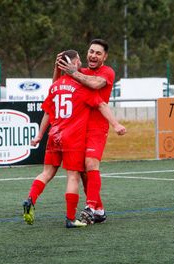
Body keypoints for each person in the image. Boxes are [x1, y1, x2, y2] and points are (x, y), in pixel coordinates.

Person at [22, 50, 126, 228]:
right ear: (73, 63)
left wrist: (39, 135)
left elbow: (48, 111)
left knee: (46, 173)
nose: (81, 62)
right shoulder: (81, 86)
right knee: (73, 177)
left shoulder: (54, 87)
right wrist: (116, 124)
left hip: (54, 136)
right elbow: (101, 104)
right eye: (79, 60)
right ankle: (71, 218)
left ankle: (30, 198)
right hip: (72, 138)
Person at [54, 39, 115, 224]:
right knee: (82, 171)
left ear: (104, 56)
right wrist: (59, 68)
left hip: (97, 128)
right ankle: (98, 210)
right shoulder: (81, 71)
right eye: (91, 51)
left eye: (98, 53)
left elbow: (95, 84)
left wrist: (73, 72)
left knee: (90, 164)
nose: (93, 55)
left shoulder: (107, 72)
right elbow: (57, 86)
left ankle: (89, 207)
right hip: (77, 127)